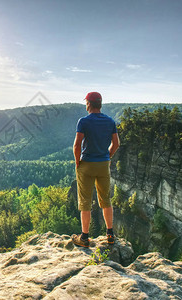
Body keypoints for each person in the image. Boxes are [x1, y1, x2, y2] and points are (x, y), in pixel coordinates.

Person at [72, 91, 120, 247]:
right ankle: (110, 234)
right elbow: (116, 143)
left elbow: (77, 144)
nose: (86, 104)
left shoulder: (83, 121)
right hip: (103, 164)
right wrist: (108, 156)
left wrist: (77, 161)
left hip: (86, 163)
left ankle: (84, 238)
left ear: (89, 104)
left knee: (85, 201)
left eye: (86, 102)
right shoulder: (110, 121)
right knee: (106, 199)